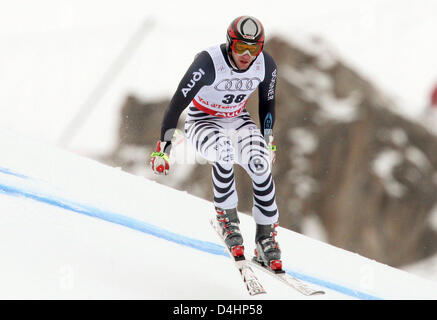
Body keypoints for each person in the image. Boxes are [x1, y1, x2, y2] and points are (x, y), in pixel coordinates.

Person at [150, 16, 282, 270]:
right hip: (202, 121)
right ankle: (227, 217)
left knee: (260, 162)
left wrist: (269, 141)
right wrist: (163, 149)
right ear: (229, 43)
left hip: (237, 120)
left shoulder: (265, 64)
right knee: (223, 152)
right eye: (240, 46)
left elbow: (268, 103)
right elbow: (177, 103)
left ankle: (266, 237)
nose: (246, 54)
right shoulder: (208, 63)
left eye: (253, 48)